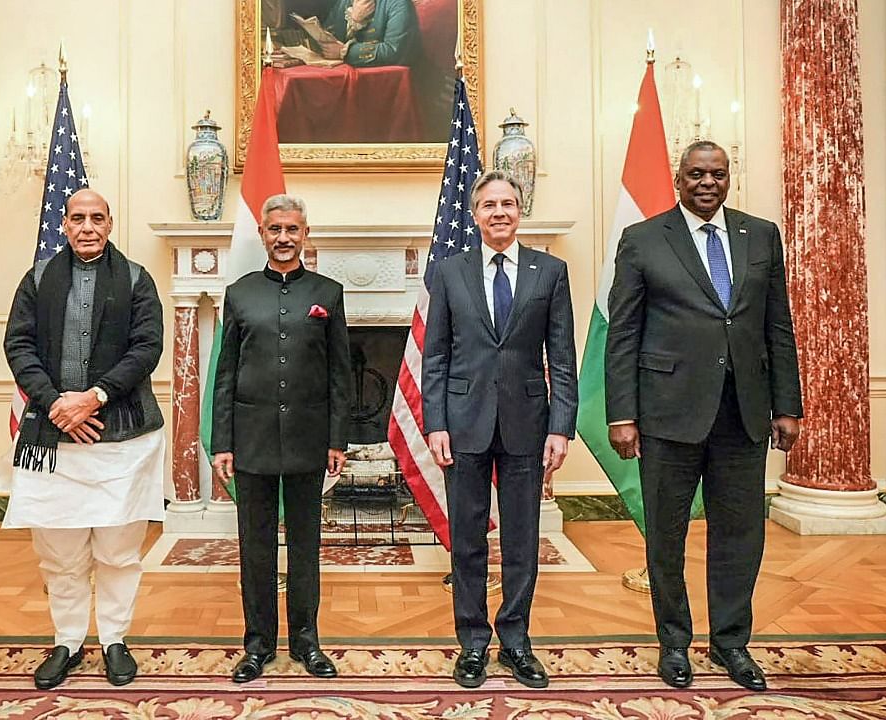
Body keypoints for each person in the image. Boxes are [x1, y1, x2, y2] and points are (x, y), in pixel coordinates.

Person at [605, 141, 803, 692]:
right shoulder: (643, 240)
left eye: (718, 173)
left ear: (729, 177)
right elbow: (623, 334)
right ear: (679, 179)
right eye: (697, 174)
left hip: (743, 414)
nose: (708, 183)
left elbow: (777, 326)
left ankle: (731, 643)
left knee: (740, 533)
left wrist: (787, 404)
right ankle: (673, 641)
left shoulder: (759, 235)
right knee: (666, 535)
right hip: (667, 414)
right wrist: (621, 414)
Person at [2, 189, 165, 690]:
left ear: (111, 223)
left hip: (123, 437)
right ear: (64, 225)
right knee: (61, 552)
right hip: (52, 435)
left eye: (97, 217)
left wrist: (93, 398)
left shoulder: (138, 279)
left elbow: (147, 348)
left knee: (118, 550)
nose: (87, 226)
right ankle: (67, 641)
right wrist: (57, 404)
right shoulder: (37, 280)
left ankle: (115, 639)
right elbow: (18, 344)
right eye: (78, 218)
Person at [422, 170, 578, 689]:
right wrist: (435, 421)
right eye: (488, 204)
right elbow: (436, 355)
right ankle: (471, 643)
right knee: (466, 540)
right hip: (462, 425)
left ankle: (515, 640)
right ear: (475, 214)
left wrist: (561, 426)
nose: (499, 213)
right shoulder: (448, 272)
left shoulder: (549, 272)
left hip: (528, 426)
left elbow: (562, 356)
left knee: (521, 539)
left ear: (520, 210)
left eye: (508, 203)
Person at [211, 194, 352, 683]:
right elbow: (224, 374)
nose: (284, 238)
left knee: (306, 547)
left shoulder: (328, 293)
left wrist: (338, 439)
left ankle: (307, 643)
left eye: (293, 229)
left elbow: (340, 375)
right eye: (275, 230)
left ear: (305, 234)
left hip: (310, 439)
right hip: (250, 440)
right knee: (255, 547)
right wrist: (221, 443)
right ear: (264, 235)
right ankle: (257, 645)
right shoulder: (240, 293)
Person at [321, 0, 420, 67]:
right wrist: (354, 20)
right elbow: (329, 34)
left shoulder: (398, 4)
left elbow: (393, 51)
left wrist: (345, 52)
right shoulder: (344, 2)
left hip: (383, 81)